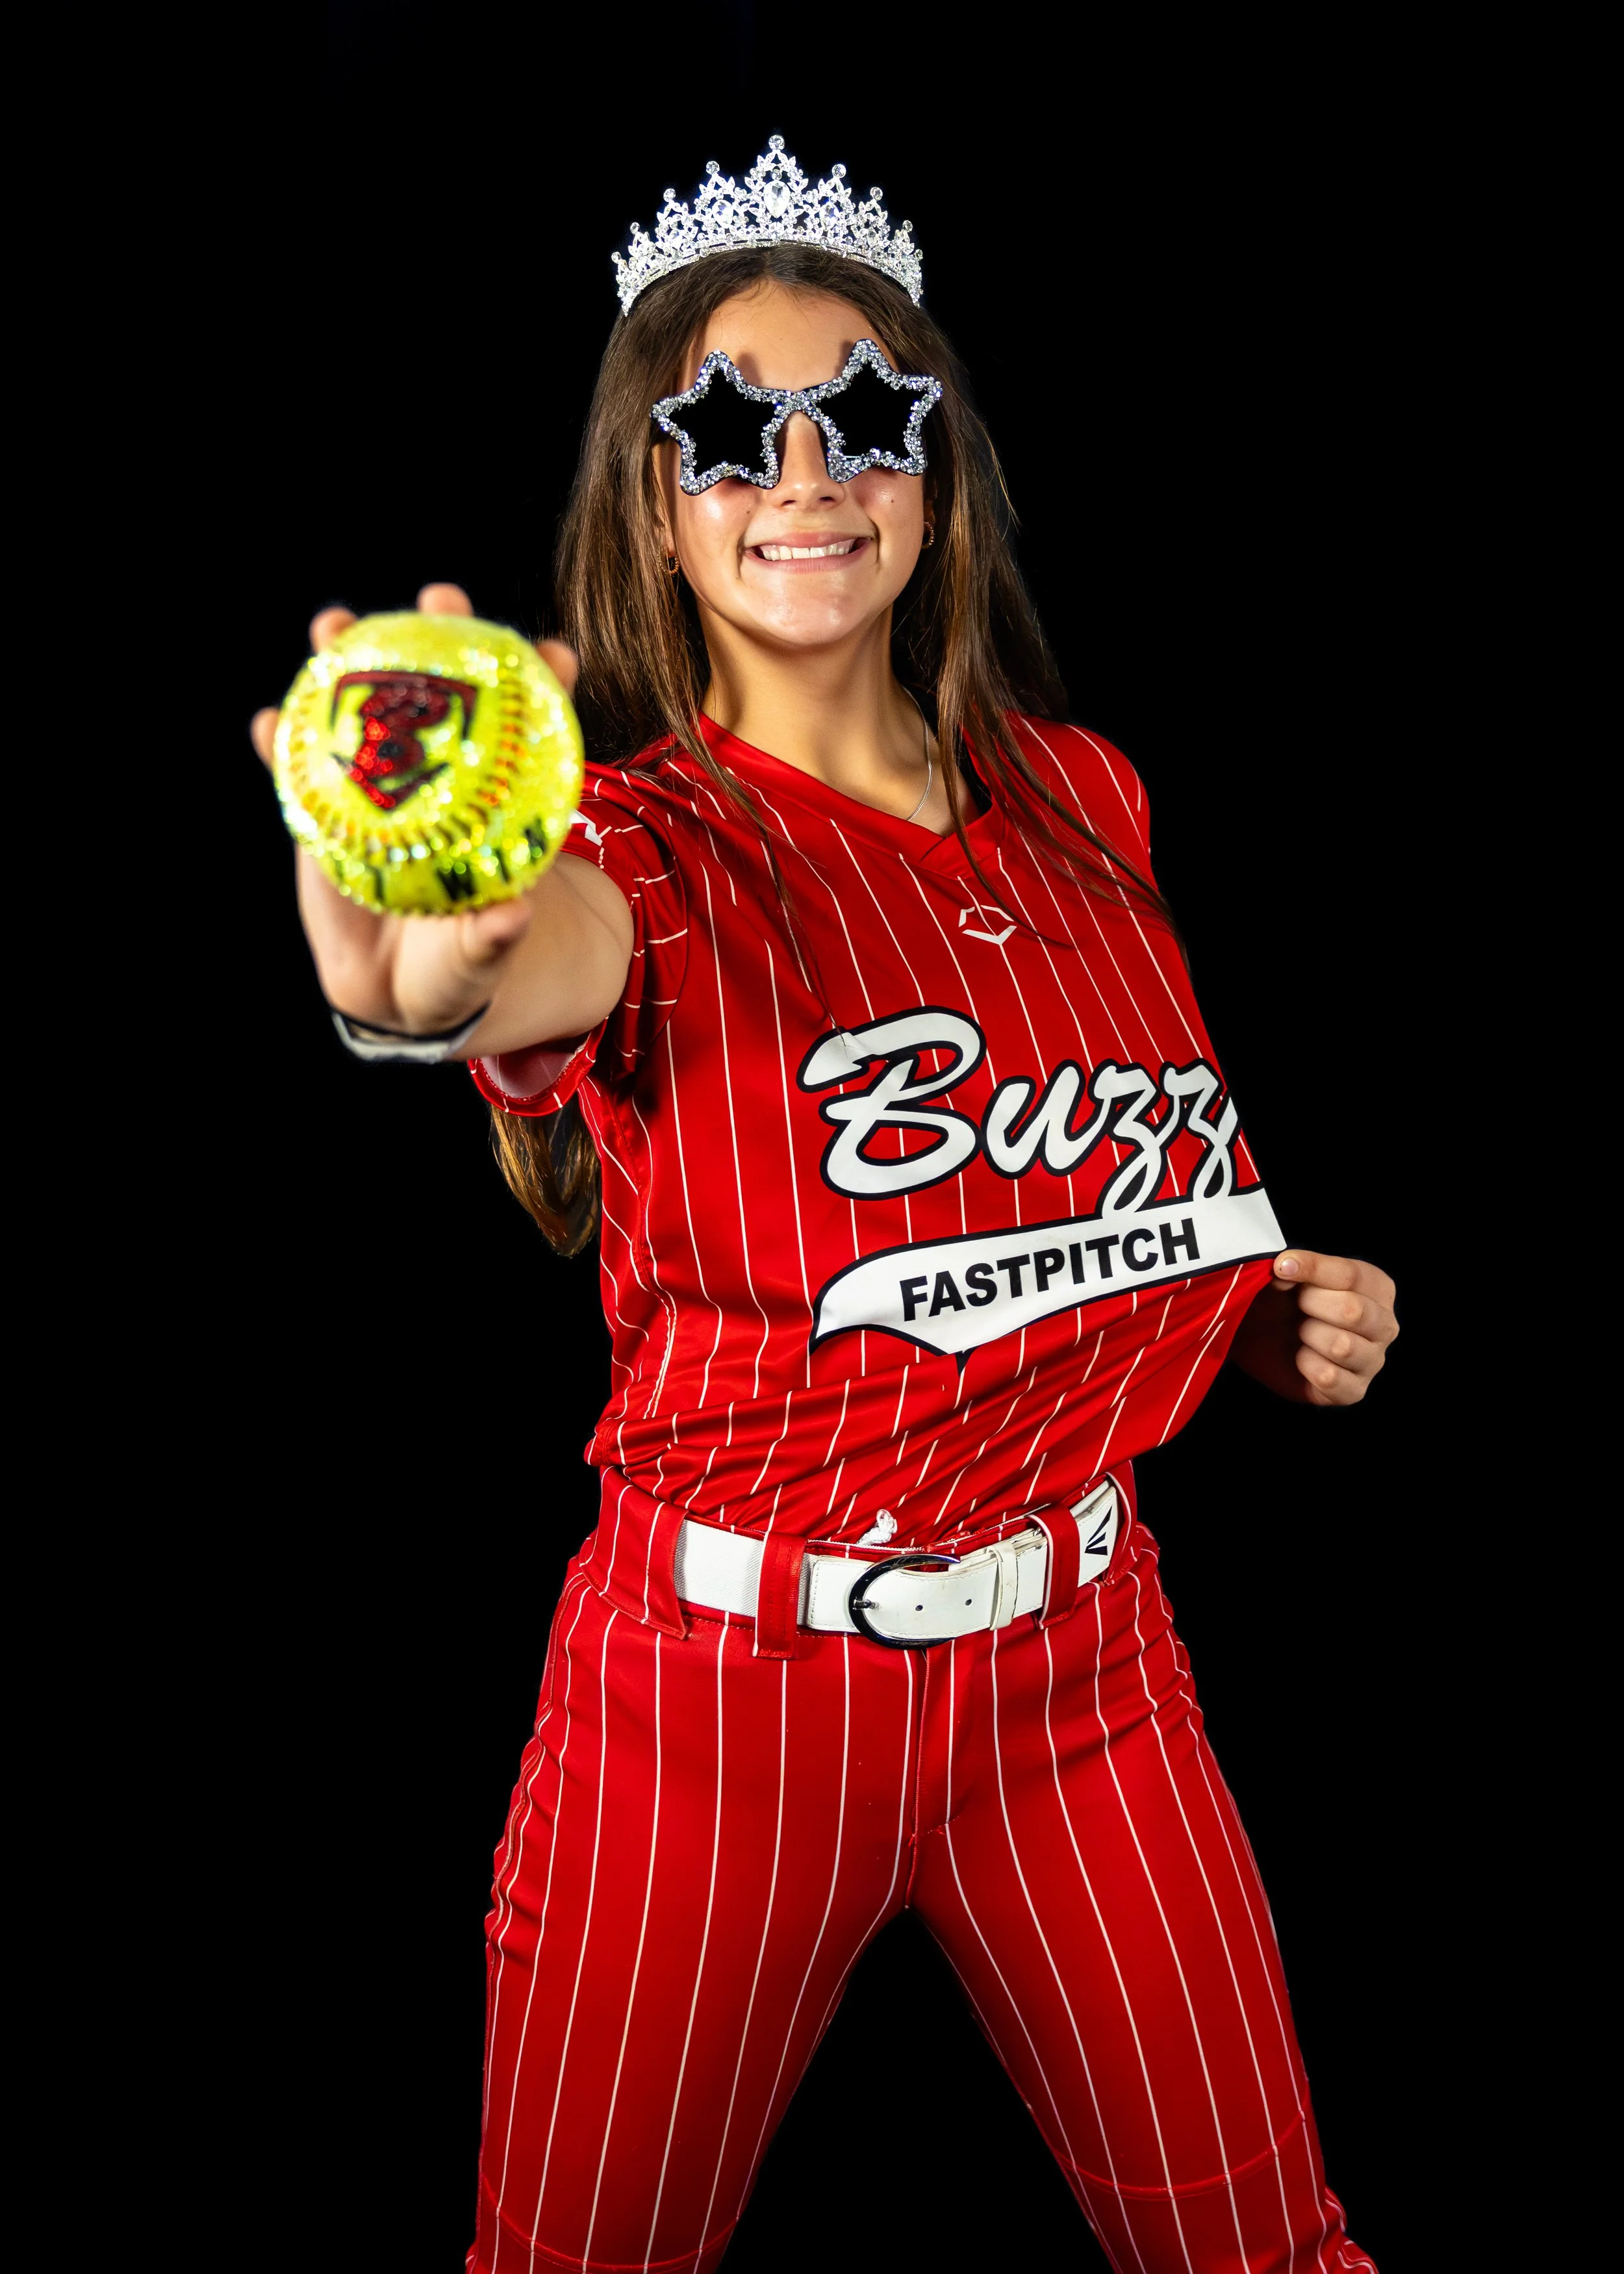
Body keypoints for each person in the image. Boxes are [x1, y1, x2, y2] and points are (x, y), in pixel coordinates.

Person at [253, 140, 1394, 2274]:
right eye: (722, 430)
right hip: (719, 1701)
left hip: (1082, 1661)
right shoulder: (634, 847)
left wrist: (1239, 1297)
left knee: (1264, 2251)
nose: (803, 467)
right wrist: (412, 969)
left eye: (862, 413)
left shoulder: (1086, 793)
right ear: (652, 509)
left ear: (937, 474)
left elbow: (1081, 1169)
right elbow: (509, 964)